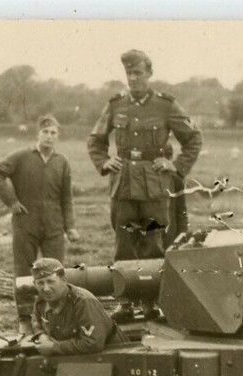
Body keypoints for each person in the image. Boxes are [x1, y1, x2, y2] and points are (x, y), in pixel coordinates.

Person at [87, 50, 203, 263]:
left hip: (154, 185)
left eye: (138, 73)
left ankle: (151, 295)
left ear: (149, 73)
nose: (133, 78)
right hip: (123, 185)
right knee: (124, 244)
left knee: (154, 244)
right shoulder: (116, 104)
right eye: (129, 73)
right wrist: (104, 162)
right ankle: (126, 294)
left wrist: (175, 166)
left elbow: (194, 138)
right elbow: (95, 139)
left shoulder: (165, 105)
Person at [0, 114, 80, 335]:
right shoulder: (21, 157)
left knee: (56, 272)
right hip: (25, 223)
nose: (49, 137)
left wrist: (70, 226)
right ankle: (25, 319)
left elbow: (66, 198)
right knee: (24, 271)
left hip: (54, 226)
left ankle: (55, 318)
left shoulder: (62, 162)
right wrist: (12, 201)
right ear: (38, 134)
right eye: (45, 132)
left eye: (53, 133)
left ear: (58, 137)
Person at [30, 258, 127, 355]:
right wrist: (40, 335)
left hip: (112, 354)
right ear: (35, 284)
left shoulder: (82, 302)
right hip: (73, 357)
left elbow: (93, 343)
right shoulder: (41, 302)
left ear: (63, 280)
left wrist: (53, 347)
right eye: (40, 283)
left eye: (51, 282)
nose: (46, 289)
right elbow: (37, 323)